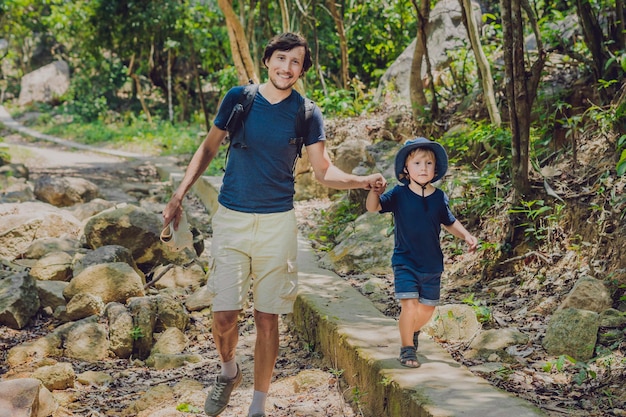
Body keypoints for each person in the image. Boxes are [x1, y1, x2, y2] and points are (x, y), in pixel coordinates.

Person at [162, 32, 386, 417]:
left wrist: (360, 181)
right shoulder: (239, 99)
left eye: (296, 62)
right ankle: (229, 370)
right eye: (282, 58)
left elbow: (323, 170)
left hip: (277, 224)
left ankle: (258, 405)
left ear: (302, 70)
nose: (287, 67)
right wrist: (179, 194)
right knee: (224, 316)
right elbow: (209, 147)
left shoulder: (307, 113)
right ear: (267, 60)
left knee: (267, 317)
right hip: (231, 219)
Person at [366, 137, 477, 368]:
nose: (423, 168)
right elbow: (373, 207)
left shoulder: (439, 197)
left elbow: (449, 221)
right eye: (417, 163)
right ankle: (407, 349)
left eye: (428, 163)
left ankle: (413, 330)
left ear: (435, 168)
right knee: (409, 304)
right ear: (406, 169)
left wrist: (466, 235)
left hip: (432, 264)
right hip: (405, 261)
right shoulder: (398, 194)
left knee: (427, 310)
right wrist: (375, 192)